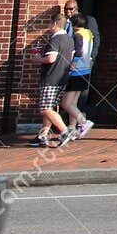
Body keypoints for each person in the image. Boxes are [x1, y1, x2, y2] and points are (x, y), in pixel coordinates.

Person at [34, 14, 76, 148]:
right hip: (62, 78)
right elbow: (71, 57)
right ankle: (43, 135)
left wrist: (37, 59)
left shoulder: (55, 40)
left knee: (45, 108)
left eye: (49, 24)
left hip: (51, 78)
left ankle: (64, 132)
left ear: (54, 24)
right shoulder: (69, 39)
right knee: (50, 107)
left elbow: (51, 59)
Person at [60, 10, 97, 139]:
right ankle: (72, 128)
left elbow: (78, 52)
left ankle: (83, 122)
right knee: (73, 103)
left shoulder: (77, 35)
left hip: (76, 72)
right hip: (85, 70)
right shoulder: (88, 34)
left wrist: (72, 65)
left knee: (66, 104)